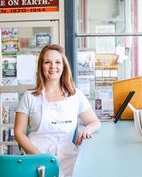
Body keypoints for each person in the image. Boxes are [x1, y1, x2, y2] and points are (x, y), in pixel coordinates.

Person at [14, 44, 101, 177]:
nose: (53, 66)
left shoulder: (75, 95)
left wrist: (87, 130)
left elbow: (95, 122)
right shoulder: (30, 97)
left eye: (57, 62)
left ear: (64, 66)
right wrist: (40, 157)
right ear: (41, 66)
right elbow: (19, 133)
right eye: (47, 62)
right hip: (36, 160)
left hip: (68, 159)